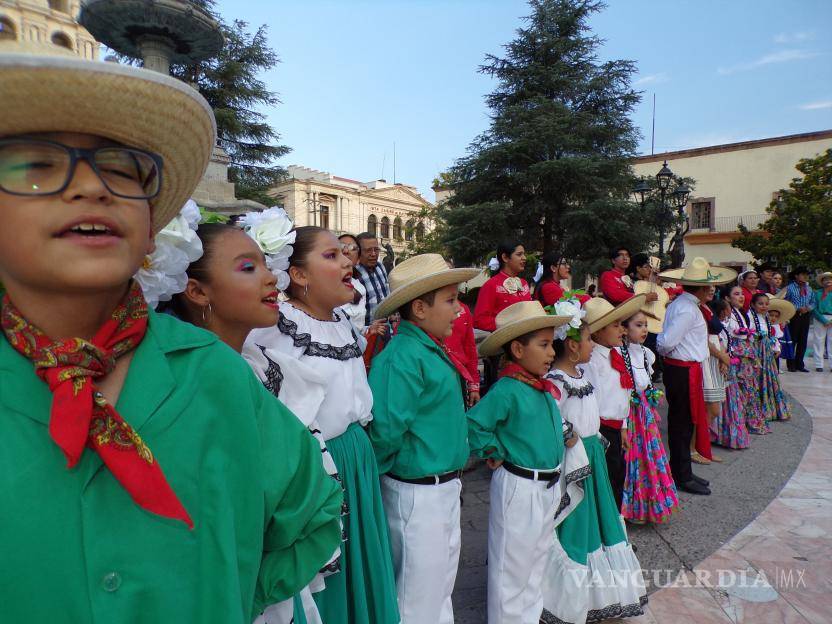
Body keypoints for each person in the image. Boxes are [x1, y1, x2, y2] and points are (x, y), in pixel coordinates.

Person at [0, 40, 341, 622]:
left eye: (121, 169)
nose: (92, 187)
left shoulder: (214, 375)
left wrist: (225, 595)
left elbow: (313, 516)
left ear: (151, 229)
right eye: (36, 167)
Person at [162, 214, 343, 624]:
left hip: (275, 588)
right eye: (248, 267)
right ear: (197, 290)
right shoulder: (192, 387)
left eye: (266, 264)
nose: (272, 280)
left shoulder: (269, 367)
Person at [243, 226, 400, 624]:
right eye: (331, 256)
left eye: (344, 254)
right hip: (321, 467)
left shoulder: (344, 321)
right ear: (298, 275)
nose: (348, 260)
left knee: (361, 566)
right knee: (324, 578)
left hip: (357, 459)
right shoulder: (277, 328)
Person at [367, 254, 480, 624]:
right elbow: (385, 432)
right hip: (417, 492)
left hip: (440, 487)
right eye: (449, 300)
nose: (458, 310)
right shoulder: (403, 356)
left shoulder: (427, 348)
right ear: (419, 307)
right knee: (415, 597)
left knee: (438, 588)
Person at [467, 301, 573, 623]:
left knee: (535, 562)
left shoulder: (539, 388)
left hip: (546, 485)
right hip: (520, 486)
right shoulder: (508, 389)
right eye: (543, 345)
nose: (552, 352)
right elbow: (474, 424)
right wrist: (494, 449)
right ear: (517, 348)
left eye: (551, 344)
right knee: (511, 567)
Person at [541, 313, 646, 624]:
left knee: (599, 523)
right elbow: (550, 417)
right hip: (574, 463)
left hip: (592, 458)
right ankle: (569, 597)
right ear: (573, 346)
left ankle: (600, 594)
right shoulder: (556, 382)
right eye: (587, 339)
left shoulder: (580, 378)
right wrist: (567, 433)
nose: (591, 345)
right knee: (577, 526)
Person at [656, 258, 737, 495]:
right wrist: (667, 350)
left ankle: (683, 471)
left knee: (685, 421)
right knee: (681, 423)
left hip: (686, 368)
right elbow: (667, 341)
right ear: (701, 288)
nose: (711, 290)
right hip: (682, 369)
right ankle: (681, 475)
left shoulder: (687, 306)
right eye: (709, 286)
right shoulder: (687, 309)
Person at [582, 294, 647, 509]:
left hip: (615, 428)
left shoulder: (615, 354)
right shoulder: (592, 361)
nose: (623, 330)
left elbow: (623, 394)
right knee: (606, 482)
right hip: (601, 431)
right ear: (599, 331)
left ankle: (615, 531)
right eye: (616, 325)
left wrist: (623, 426)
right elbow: (593, 402)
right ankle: (607, 533)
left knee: (617, 478)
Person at [620, 311, 679, 524]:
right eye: (638, 325)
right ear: (624, 329)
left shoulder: (647, 354)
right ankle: (631, 507)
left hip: (645, 414)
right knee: (632, 459)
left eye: (645, 325)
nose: (644, 329)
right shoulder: (618, 354)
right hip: (630, 415)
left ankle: (648, 505)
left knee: (650, 458)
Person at [709, 295, 750, 450]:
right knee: (724, 402)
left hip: (726, 364)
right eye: (727, 309)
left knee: (728, 401)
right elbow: (720, 346)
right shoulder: (717, 329)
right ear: (723, 311)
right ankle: (722, 434)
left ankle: (723, 434)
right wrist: (723, 360)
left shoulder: (721, 327)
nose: (729, 311)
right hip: (722, 365)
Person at [749, 293, 792, 423]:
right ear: (752, 305)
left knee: (768, 379)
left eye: (766, 304)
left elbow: (772, 336)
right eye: (760, 304)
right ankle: (757, 408)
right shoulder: (750, 317)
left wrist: (775, 346)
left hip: (766, 354)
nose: (764, 306)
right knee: (756, 379)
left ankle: (770, 408)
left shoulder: (766, 319)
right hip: (756, 352)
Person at [474, 241, 531, 331]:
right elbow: (479, 320)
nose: (524, 258)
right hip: (504, 340)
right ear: (505, 257)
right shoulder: (491, 285)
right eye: (519, 254)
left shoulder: (524, 283)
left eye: (524, 254)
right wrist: (507, 324)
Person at [698, 286, 726, 464]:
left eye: (713, 287)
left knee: (712, 408)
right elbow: (703, 338)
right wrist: (722, 355)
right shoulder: (698, 309)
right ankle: (701, 448)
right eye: (707, 287)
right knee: (711, 408)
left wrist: (723, 356)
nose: (711, 290)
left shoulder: (707, 307)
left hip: (715, 356)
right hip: (707, 357)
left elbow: (717, 336)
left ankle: (703, 447)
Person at [446, 295, 482, 407]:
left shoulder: (463, 309)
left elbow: (469, 348)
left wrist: (473, 385)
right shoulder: (424, 311)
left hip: (459, 375)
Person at [354, 232, 390, 327]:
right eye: (368, 250)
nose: (373, 254)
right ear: (359, 252)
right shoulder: (353, 274)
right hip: (367, 333)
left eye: (376, 249)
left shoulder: (381, 267)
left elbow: (387, 294)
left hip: (386, 328)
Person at [784, 267, 815, 373]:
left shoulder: (809, 288)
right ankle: (791, 364)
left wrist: (808, 308)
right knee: (792, 340)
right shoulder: (789, 288)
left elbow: (813, 302)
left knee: (803, 340)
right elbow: (786, 302)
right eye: (803, 274)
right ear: (796, 276)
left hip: (805, 316)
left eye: (806, 275)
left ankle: (800, 364)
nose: (805, 277)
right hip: (794, 316)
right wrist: (797, 308)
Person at [811, 271, 832, 372]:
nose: (828, 281)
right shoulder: (817, 293)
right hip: (820, 318)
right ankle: (819, 365)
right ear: (822, 282)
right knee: (819, 341)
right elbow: (813, 308)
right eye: (825, 279)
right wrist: (823, 320)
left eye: (830, 279)